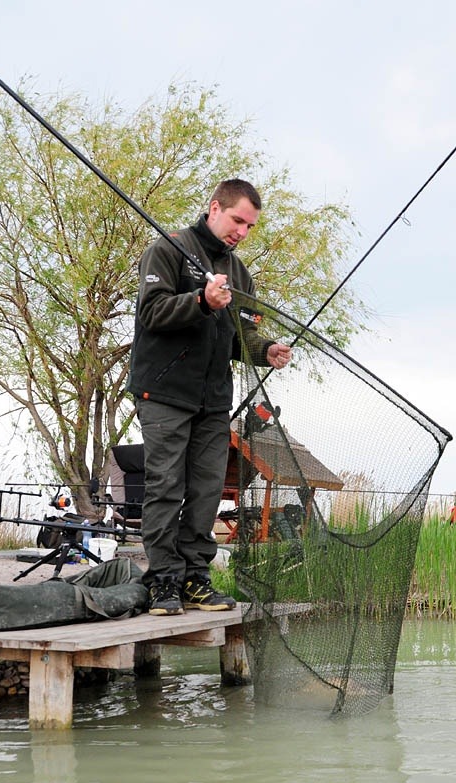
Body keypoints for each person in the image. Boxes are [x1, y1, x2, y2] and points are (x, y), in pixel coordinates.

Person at [127, 179, 292, 615]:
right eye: (237, 220)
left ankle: (196, 579)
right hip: (163, 390)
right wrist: (201, 299)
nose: (242, 231)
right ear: (214, 208)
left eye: (250, 226)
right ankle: (163, 581)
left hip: (213, 398)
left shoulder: (240, 275)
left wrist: (265, 350)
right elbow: (151, 312)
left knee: (206, 490)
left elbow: (244, 335)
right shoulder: (166, 250)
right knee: (165, 484)